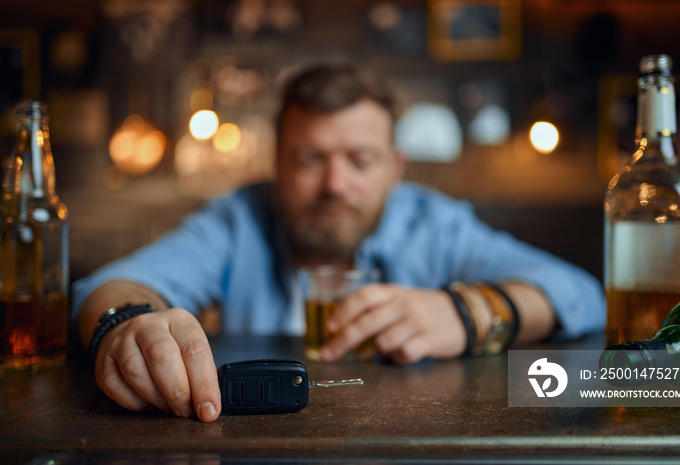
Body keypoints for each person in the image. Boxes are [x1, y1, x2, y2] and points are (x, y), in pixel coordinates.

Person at [73, 63, 605, 422]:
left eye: (360, 160)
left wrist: (469, 312)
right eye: (309, 159)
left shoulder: (434, 222)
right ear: (277, 164)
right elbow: (109, 286)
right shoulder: (236, 220)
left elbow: (577, 292)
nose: (334, 184)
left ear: (395, 167)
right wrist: (125, 326)